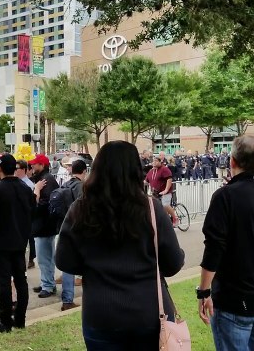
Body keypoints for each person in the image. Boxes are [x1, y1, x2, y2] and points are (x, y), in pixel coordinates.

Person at [56, 141, 184, 350]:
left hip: (101, 315)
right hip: (147, 314)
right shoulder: (152, 209)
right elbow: (173, 264)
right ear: (136, 170)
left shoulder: (81, 208)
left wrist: (94, 266)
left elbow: (64, 260)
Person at [199, 136, 254, 351]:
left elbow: (214, 247)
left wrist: (204, 291)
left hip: (234, 297)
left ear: (232, 162)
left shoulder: (225, 197)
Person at [0, 153, 36, 333]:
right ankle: (20, 318)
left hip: (1, 243)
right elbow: (32, 213)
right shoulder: (25, 188)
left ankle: (5, 320)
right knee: (21, 280)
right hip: (20, 241)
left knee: (4, 282)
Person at [55, 159, 87, 312]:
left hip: (64, 226)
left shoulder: (66, 184)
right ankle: (69, 299)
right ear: (84, 171)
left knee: (68, 263)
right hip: (78, 229)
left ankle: (67, 299)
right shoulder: (80, 186)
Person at [29, 154, 60, 298]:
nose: (32, 166)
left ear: (42, 165)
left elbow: (44, 204)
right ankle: (47, 282)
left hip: (44, 225)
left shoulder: (46, 180)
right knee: (45, 256)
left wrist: (36, 193)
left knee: (44, 257)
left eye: (35, 164)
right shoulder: (44, 179)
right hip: (44, 225)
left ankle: (48, 285)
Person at [145, 156, 179, 226]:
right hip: (155, 193)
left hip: (165, 192)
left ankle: (175, 217)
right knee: (154, 208)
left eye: (156, 161)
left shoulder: (164, 169)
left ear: (160, 162)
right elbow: (146, 181)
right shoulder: (151, 171)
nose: (154, 162)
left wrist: (166, 190)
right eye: (153, 161)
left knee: (165, 204)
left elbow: (169, 179)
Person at [16, 159, 36, 269]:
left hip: (26, 217)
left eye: (17, 168)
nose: (15, 171)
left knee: (28, 242)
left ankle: (29, 260)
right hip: (19, 218)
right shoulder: (16, 182)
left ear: (23, 170)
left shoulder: (28, 184)